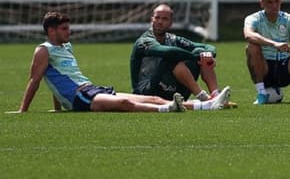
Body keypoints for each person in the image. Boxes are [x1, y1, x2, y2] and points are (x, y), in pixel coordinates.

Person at [16, 11, 186, 113]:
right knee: (124, 104)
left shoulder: (66, 46)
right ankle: (168, 108)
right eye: (64, 28)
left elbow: (61, 77)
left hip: (91, 89)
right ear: (51, 31)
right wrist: (22, 110)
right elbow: (35, 80)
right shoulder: (43, 50)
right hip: (79, 97)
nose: (70, 31)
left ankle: (202, 105)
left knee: (152, 98)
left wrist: (58, 108)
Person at [131, 4, 232, 106]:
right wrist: (197, 55)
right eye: (157, 18)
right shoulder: (144, 41)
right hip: (146, 93)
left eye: (164, 19)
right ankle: (204, 98)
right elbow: (169, 52)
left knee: (201, 52)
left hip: (172, 91)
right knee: (173, 58)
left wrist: (208, 54)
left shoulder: (173, 39)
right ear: (151, 19)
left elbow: (207, 46)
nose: (160, 22)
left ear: (171, 23)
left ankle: (216, 96)